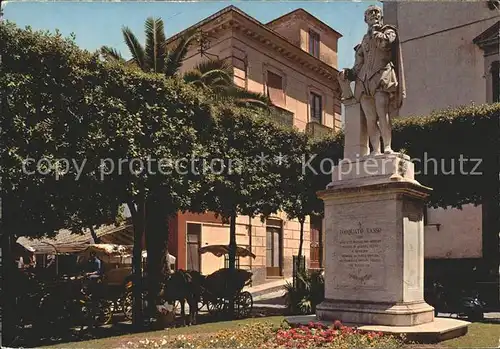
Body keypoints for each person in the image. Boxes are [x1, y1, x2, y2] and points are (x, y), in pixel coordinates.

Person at [338, 5, 405, 155]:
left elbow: (385, 44)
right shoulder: (364, 40)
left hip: (381, 76)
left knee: (382, 113)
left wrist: (376, 31)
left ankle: (387, 146)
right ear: (365, 19)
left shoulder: (388, 31)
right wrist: (347, 73)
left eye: (376, 12)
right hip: (364, 81)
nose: (373, 14)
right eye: (370, 13)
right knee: (370, 118)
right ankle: (376, 150)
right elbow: (358, 66)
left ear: (381, 17)